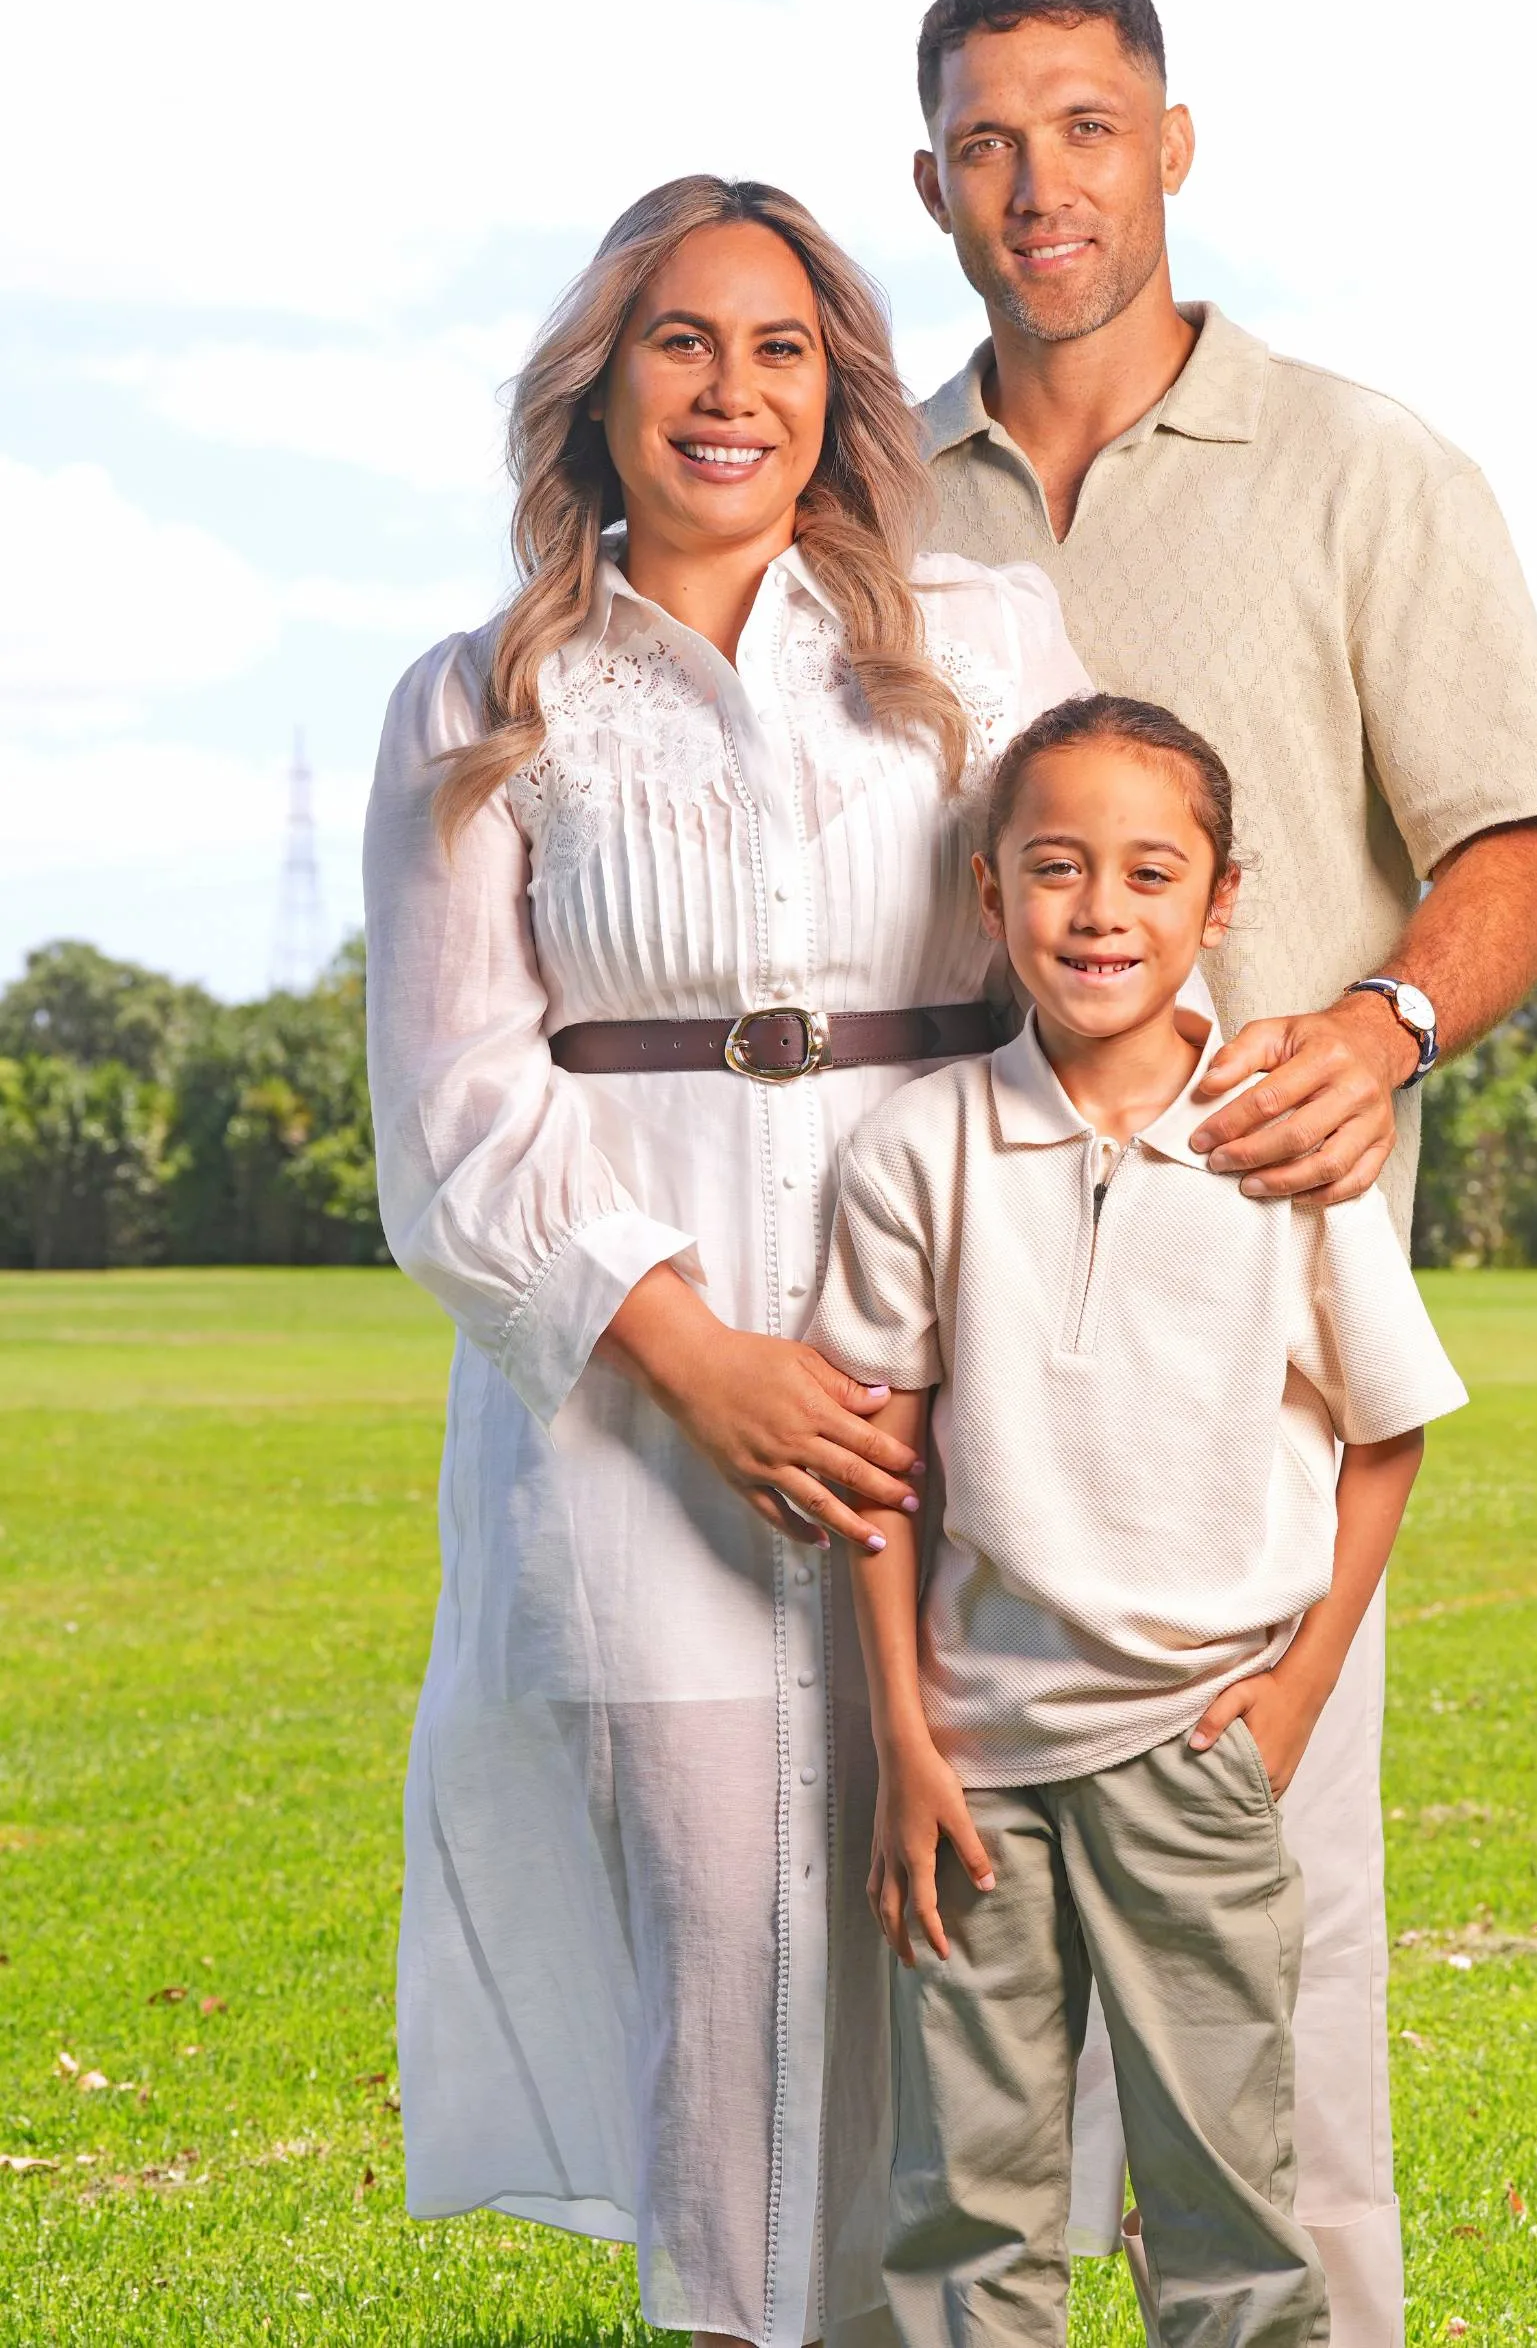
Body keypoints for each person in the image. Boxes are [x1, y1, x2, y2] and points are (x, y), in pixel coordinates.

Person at [910, 0, 1537, 2345]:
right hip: (972, 1394)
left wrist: (1391, 1015)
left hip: (1262, 1405)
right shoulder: (870, 495)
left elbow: (1511, 835)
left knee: (1270, 2062)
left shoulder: (1365, 463)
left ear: (1174, 145)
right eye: (990, 142)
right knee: (964, 2089)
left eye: (1087, 126)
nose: (1043, 185)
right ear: (932, 184)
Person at [362, 173, 1092, 2348]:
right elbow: (459, 1107)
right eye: (683, 340)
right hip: (629, 1435)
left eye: (780, 347)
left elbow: (1095, 943)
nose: (732, 389)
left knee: (959, 1956)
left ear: (837, 392)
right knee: (716, 1968)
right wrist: (697, 1357)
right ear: (602, 383)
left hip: (951, 1398)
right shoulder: (483, 694)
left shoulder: (984, 642)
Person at [806, 695, 1469, 2348]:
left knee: (1226, 2214)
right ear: (988, 894)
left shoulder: (1289, 1147)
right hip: (975, 1771)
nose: (1100, 910)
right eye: (1055, 868)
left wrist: (1297, 1694)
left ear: (1219, 899)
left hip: (1198, 1753)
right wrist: (904, 1741)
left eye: (1149, 873)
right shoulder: (919, 1147)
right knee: (962, 2213)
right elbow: (876, 1474)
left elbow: (1388, 1433)